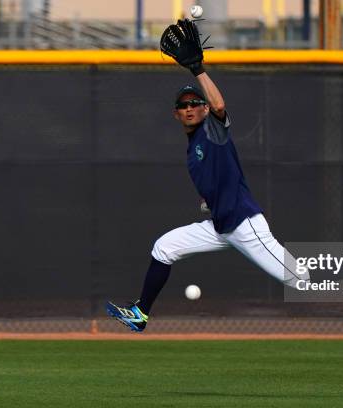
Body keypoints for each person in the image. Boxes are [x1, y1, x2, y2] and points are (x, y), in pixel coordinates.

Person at [106, 19, 309, 332]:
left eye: (194, 103)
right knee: (164, 247)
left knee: (299, 278)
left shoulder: (212, 130)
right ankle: (140, 314)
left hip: (244, 224)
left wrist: (197, 69)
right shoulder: (192, 150)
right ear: (176, 114)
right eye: (183, 105)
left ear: (203, 109)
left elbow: (219, 104)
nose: (189, 108)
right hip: (220, 226)